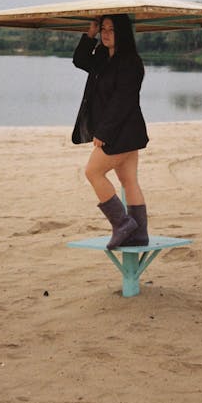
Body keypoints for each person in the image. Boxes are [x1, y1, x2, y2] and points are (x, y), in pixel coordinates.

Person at [72, 14, 149, 249]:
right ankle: (139, 234)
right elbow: (79, 60)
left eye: (111, 30)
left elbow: (122, 101)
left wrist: (103, 133)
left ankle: (123, 224)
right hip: (126, 132)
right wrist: (90, 34)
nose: (105, 33)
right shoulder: (102, 58)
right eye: (103, 29)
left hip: (121, 132)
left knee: (92, 172)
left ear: (122, 33)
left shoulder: (131, 62)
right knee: (129, 182)